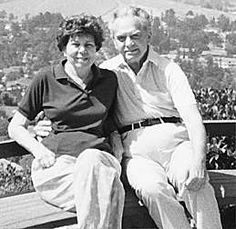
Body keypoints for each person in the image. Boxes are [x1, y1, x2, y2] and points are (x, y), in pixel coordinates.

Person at [33, 6, 223, 229]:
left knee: (195, 182)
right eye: (121, 38)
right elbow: (75, 105)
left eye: (135, 36)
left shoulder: (168, 69)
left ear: (148, 36)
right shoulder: (106, 73)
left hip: (176, 145)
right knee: (152, 189)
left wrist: (199, 160)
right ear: (113, 40)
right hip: (136, 153)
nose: (129, 43)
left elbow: (192, 118)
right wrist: (39, 126)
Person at [8, 14, 125, 229]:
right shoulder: (46, 78)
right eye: (75, 44)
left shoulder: (109, 80)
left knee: (92, 164)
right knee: (107, 191)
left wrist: (117, 142)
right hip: (57, 167)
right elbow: (15, 126)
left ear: (97, 48)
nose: (82, 50)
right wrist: (38, 150)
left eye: (89, 45)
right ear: (64, 48)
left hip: (99, 161)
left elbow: (112, 121)